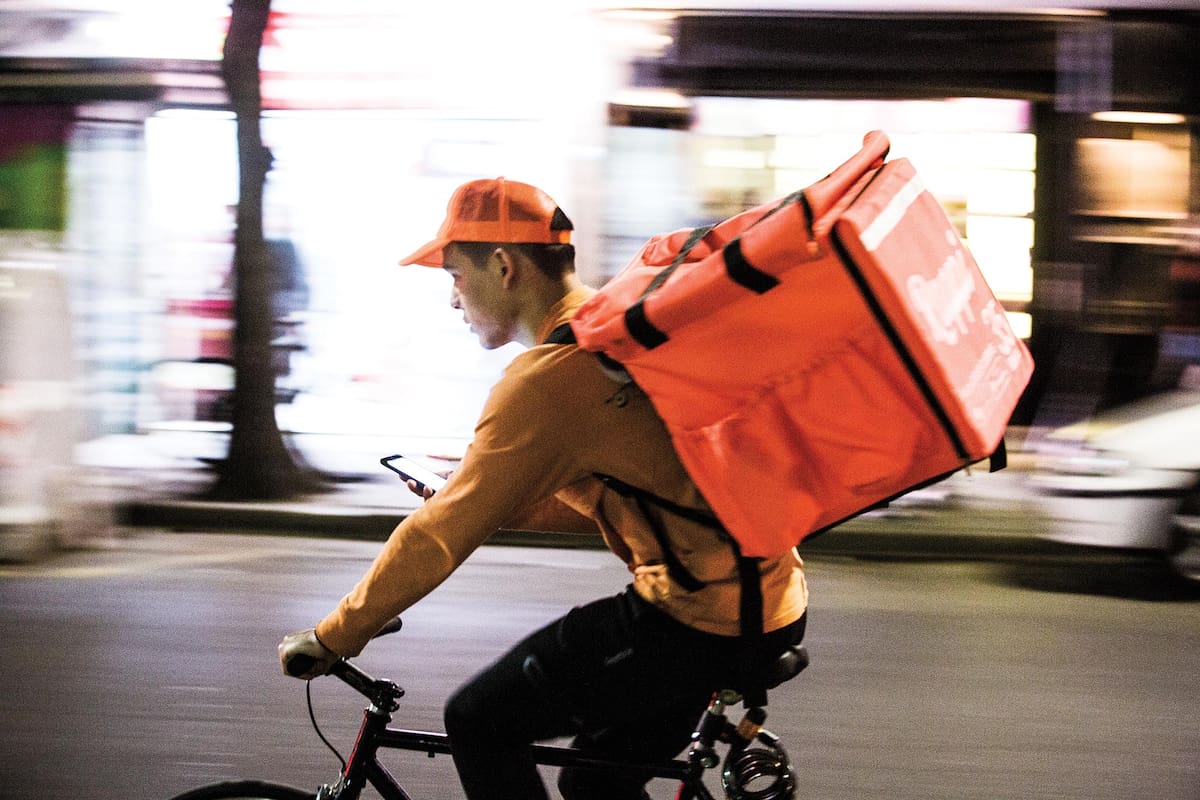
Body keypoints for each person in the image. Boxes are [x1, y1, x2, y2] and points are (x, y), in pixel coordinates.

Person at [278, 177, 809, 800]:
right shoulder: (613, 331)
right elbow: (639, 496)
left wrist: (335, 634)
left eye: (454, 275)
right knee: (595, 785)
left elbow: (438, 537)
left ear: (503, 266)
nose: (453, 300)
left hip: (698, 619)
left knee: (479, 721)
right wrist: (500, 498)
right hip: (764, 599)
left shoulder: (547, 382)